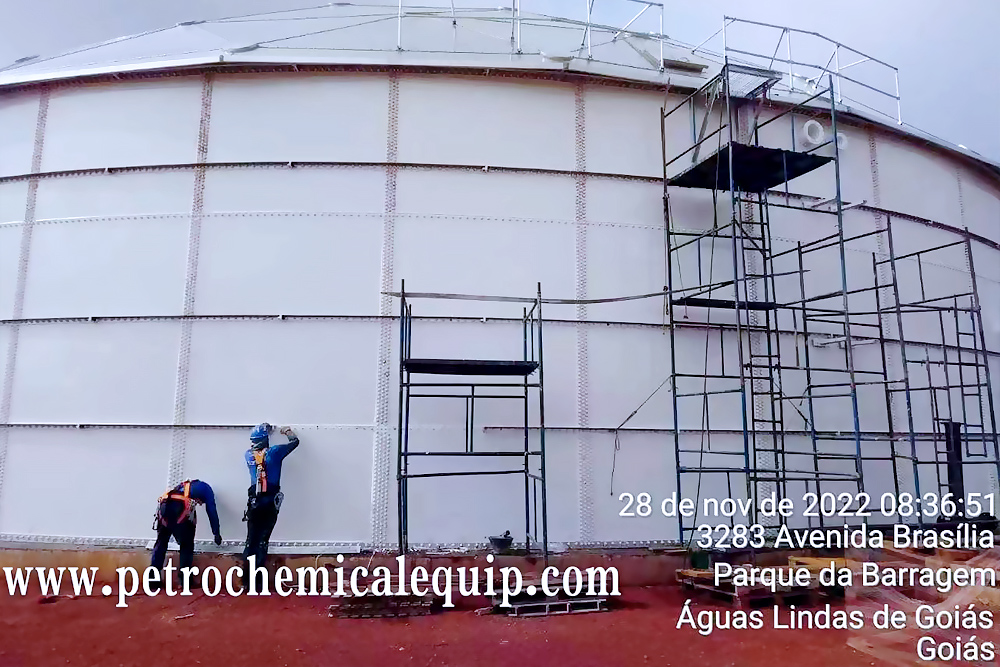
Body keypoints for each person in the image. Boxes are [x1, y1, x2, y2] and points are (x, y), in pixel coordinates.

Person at [243, 423, 299, 578]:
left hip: (254, 502)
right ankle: (258, 581)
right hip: (269, 502)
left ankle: (246, 579)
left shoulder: (248, 455)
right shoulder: (274, 452)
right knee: (263, 541)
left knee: (251, 541)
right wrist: (287, 431)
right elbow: (294, 442)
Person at [151, 479, 222, 590]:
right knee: (186, 546)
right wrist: (216, 533)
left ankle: (152, 581)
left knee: (161, 544)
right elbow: (211, 510)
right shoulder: (207, 490)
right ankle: (185, 581)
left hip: (164, 510)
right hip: (180, 512)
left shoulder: (182, 486)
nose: (200, 503)